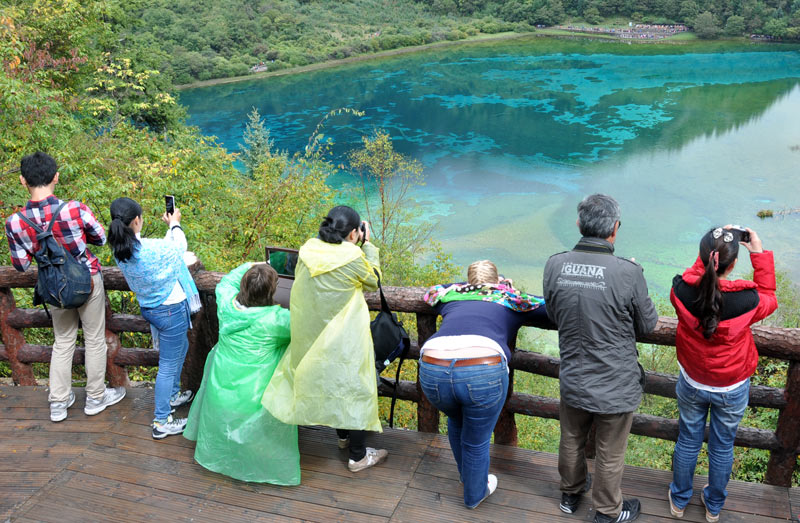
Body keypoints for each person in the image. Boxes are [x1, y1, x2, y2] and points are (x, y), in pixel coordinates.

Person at [543, 194, 658, 523]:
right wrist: (636, 277)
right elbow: (647, 324)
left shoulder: (555, 264)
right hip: (615, 381)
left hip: (574, 376)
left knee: (572, 436)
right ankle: (608, 512)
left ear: (579, 224)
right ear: (615, 229)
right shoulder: (627, 272)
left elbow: (554, 314)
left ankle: (570, 494)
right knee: (610, 451)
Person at [263, 205, 387, 472]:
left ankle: (342, 437)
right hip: (345, 333)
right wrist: (369, 247)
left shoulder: (308, 249)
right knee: (353, 385)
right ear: (354, 233)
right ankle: (358, 456)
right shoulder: (353, 257)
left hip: (314, 331)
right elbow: (372, 281)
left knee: (332, 380)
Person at [419, 260, 552, 508]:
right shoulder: (509, 297)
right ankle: (474, 494)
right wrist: (506, 288)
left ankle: (467, 477)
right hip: (481, 368)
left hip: (432, 366)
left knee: (457, 419)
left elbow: (431, 291)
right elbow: (547, 306)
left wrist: (468, 287)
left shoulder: (450, 294)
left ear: (468, 282)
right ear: (497, 281)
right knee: (476, 440)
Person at [5, 152, 125, 422]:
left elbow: (21, 265)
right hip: (86, 279)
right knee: (94, 340)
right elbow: (101, 238)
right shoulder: (75, 209)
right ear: (56, 176)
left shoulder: (15, 222)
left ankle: (58, 402)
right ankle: (95, 397)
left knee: (63, 340)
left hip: (53, 285)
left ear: (23, 181)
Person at [667, 226, 776, 523]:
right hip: (732, 385)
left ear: (704, 259)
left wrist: (711, 248)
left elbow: (694, 277)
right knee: (722, 445)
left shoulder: (680, 291)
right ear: (733, 264)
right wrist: (759, 252)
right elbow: (769, 296)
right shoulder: (748, 301)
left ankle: (679, 502)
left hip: (692, 381)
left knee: (688, 439)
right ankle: (713, 507)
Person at [184, 262, 300, 484]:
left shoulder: (226, 307)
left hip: (220, 392)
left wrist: (254, 265)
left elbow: (226, 281)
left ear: (244, 286)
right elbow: (305, 327)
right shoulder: (277, 321)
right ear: (271, 291)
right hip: (255, 398)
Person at [107, 197, 200, 439]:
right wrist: (175, 224)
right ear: (137, 220)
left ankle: (172, 395)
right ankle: (161, 421)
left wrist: (170, 228)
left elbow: (158, 248)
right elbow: (178, 246)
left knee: (182, 347)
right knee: (167, 366)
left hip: (150, 307)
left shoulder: (121, 250)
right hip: (170, 310)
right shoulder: (150, 250)